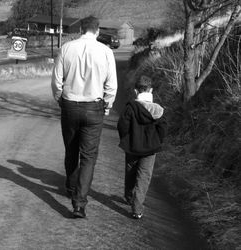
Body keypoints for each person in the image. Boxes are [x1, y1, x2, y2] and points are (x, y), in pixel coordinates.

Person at [51, 16, 117, 218]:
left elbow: (56, 81)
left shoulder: (67, 48)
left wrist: (60, 100)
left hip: (70, 105)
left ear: (81, 29)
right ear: (97, 31)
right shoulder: (106, 51)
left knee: (71, 150)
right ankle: (79, 204)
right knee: (88, 157)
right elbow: (111, 84)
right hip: (94, 106)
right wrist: (107, 104)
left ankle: (71, 187)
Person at [117, 75, 167, 219]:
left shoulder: (130, 108)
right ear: (151, 90)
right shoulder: (158, 110)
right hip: (150, 149)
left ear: (135, 91)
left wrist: (126, 139)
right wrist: (158, 140)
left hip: (132, 145)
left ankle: (128, 195)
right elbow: (163, 129)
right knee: (144, 176)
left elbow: (122, 126)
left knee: (130, 171)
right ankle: (137, 208)